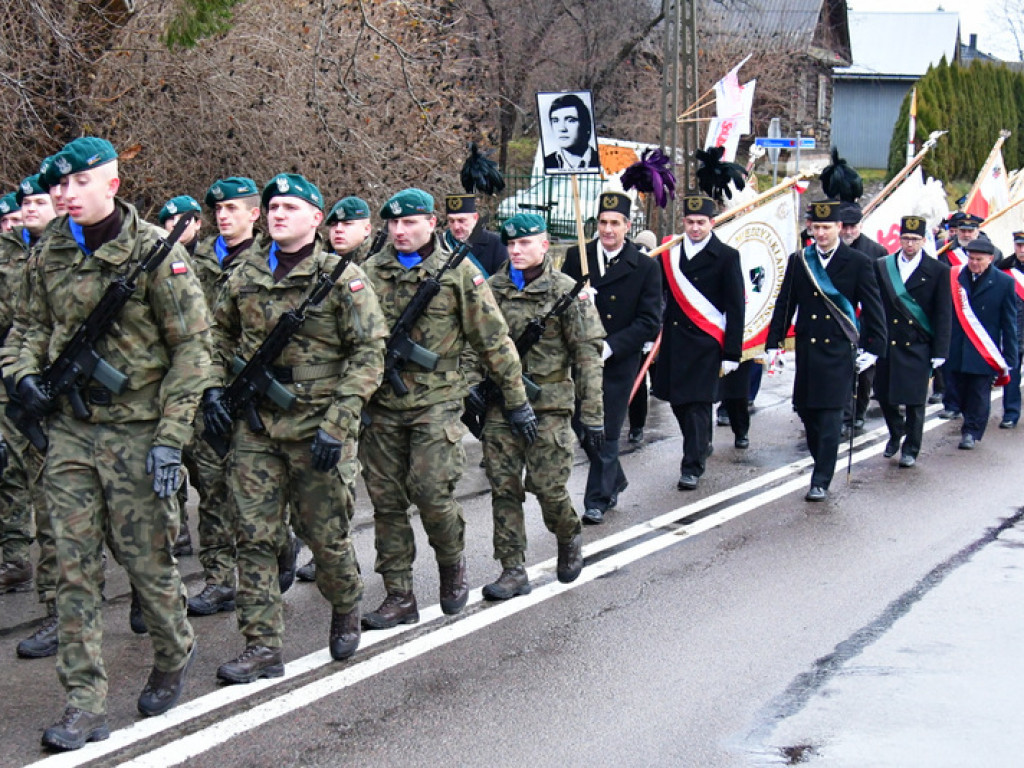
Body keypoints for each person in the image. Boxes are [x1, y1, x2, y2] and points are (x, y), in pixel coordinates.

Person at [10, 137, 211, 750]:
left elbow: (193, 352)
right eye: (57, 187)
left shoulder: (157, 254)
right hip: (70, 434)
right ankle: (84, 703)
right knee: (72, 570)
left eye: (76, 184)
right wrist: (21, 376)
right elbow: (27, 327)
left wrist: (171, 439)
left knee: (148, 567)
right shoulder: (48, 251)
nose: (64, 195)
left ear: (112, 185)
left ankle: (174, 648)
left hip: (139, 433)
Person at [206, 173, 386, 682]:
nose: (279, 214)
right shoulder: (243, 274)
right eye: (273, 207)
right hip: (257, 427)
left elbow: (370, 352)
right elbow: (215, 339)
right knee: (255, 537)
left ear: (315, 219)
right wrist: (214, 389)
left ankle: (346, 603)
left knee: (325, 534)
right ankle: (262, 645)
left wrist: (340, 422)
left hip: (318, 426)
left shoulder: (341, 278)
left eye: (291, 207)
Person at [359, 188, 534, 629]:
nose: (400, 231)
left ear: (431, 223)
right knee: (386, 502)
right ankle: (399, 593)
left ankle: (451, 565)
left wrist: (516, 401)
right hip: (382, 406)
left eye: (410, 222)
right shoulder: (368, 273)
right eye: (393, 224)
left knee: (433, 494)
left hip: (436, 404)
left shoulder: (458, 274)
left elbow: (493, 341)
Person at [474, 213, 604, 599]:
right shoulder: (490, 288)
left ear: (544, 245)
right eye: (511, 244)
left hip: (549, 407)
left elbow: (587, 356)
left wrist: (593, 417)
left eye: (525, 243)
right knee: (504, 487)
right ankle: (512, 569)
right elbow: (471, 343)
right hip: (501, 407)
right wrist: (470, 388)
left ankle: (568, 534)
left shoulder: (565, 292)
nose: (515, 250)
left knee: (548, 487)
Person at [765, 200, 886, 502]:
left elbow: (873, 309)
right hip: (808, 349)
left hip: (838, 351)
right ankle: (821, 460)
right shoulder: (800, 260)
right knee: (807, 412)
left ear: (839, 229)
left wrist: (873, 348)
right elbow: (785, 302)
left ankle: (821, 478)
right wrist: (773, 342)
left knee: (831, 416)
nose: (820, 233)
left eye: (826, 227)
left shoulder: (857, 262)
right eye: (816, 227)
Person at [184, 177, 265, 617]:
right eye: (218, 209)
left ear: (254, 213)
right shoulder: (193, 260)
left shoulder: (269, 263)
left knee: (250, 490)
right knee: (211, 488)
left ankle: (278, 547)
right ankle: (218, 579)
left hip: (252, 394)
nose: (223, 215)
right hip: (205, 389)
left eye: (233, 209)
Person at [560, 191, 661, 523]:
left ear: (627, 226)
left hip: (618, 360)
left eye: (615, 223)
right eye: (602, 222)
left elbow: (649, 321)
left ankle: (597, 499)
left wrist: (611, 345)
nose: (607, 229)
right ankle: (614, 477)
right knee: (579, 422)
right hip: (579, 358)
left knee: (604, 428)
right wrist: (578, 298)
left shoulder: (644, 267)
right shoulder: (578, 257)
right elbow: (560, 301)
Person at [1, 174, 60, 659]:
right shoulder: (17, 257)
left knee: (129, 526)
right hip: (27, 397)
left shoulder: (81, 254)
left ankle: (153, 592)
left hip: (91, 405)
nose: (31, 209)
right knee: (44, 502)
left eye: (41, 200)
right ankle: (58, 610)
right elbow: (21, 328)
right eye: (27, 203)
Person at [652, 195, 744, 491]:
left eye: (700, 223)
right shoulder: (670, 254)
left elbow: (735, 307)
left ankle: (692, 465)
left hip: (707, 344)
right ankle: (701, 442)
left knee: (697, 405)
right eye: (690, 222)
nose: (694, 228)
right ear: (683, 223)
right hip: (675, 342)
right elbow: (658, 297)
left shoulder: (727, 256)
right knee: (679, 403)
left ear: (711, 223)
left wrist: (732, 351)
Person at [873, 216, 951, 468]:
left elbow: (943, 313)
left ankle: (911, 448)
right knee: (884, 395)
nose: (909, 244)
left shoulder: (938, 270)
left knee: (915, 401)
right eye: (906, 238)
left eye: (915, 239)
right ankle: (896, 431)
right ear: (900, 238)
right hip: (888, 342)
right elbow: (874, 307)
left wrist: (940, 350)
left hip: (918, 343)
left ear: (924, 241)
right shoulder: (883, 265)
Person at [157, 194, 204, 563]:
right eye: (169, 223)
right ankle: (180, 533)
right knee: (172, 462)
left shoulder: (205, 262)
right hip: (172, 382)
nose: (176, 228)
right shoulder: (156, 260)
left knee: (211, 476)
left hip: (210, 380)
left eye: (183, 221)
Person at [946, 238, 1018, 450]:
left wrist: (1010, 356)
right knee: (960, 389)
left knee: (979, 392)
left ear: (990, 259)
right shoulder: (955, 277)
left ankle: (971, 431)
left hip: (983, 349)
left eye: (979, 259)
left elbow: (1009, 322)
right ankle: (967, 419)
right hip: (957, 345)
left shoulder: (1004, 283)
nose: (974, 263)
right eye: (971, 258)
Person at [839, 201, 889, 435]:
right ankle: (844, 415)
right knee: (841, 371)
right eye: (845, 226)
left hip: (866, 319)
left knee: (865, 374)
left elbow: (882, 291)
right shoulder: (832, 247)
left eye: (854, 226)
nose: (849, 231)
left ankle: (859, 412)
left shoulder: (876, 251)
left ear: (861, 225)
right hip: (840, 319)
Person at [627, 229, 658, 444]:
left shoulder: (654, 269)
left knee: (638, 384)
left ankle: (637, 426)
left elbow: (658, 304)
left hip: (641, 333)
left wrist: (650, 336)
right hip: (622, 331)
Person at [996, 231, 1024, 429]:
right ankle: (1011, 413)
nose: (1022, 250)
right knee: (1012, 375)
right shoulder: (1004, 269)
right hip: (1014, 332)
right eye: (1019, 245)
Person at [444, 193, 508, 277]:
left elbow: (503, 281)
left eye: (461, 221)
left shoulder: (496, 243)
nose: (456, 227)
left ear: (475, 218)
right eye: (451, 221)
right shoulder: (442, 243)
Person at [542, 94, 600, 173]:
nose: (562, 128)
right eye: (555, 121)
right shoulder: (546, 162)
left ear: (585, 125)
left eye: (570, 120)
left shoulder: (602, 160)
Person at [325, 196, 374, 264]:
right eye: (333, 224)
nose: (338, 229)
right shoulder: (317, 261)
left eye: (347, 223)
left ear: (366, 229)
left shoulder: (376, 266)